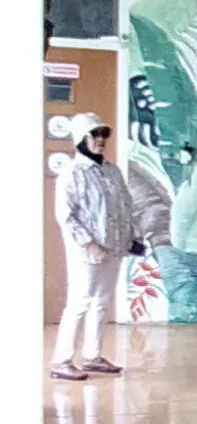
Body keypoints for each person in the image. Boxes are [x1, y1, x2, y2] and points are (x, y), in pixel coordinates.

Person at [52, 115, 134, 379]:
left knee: (102, 302)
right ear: (81, 138)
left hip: (114, 247)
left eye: (103, 134)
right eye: (94, 134)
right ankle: (62, 360)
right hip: (86, 251)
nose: (100, 139)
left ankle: (92, 355)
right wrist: (89, 244)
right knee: (80, 301)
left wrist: (131, 238)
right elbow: (65, 215)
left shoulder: (112, 170)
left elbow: (124, 206)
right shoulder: (72, 172)